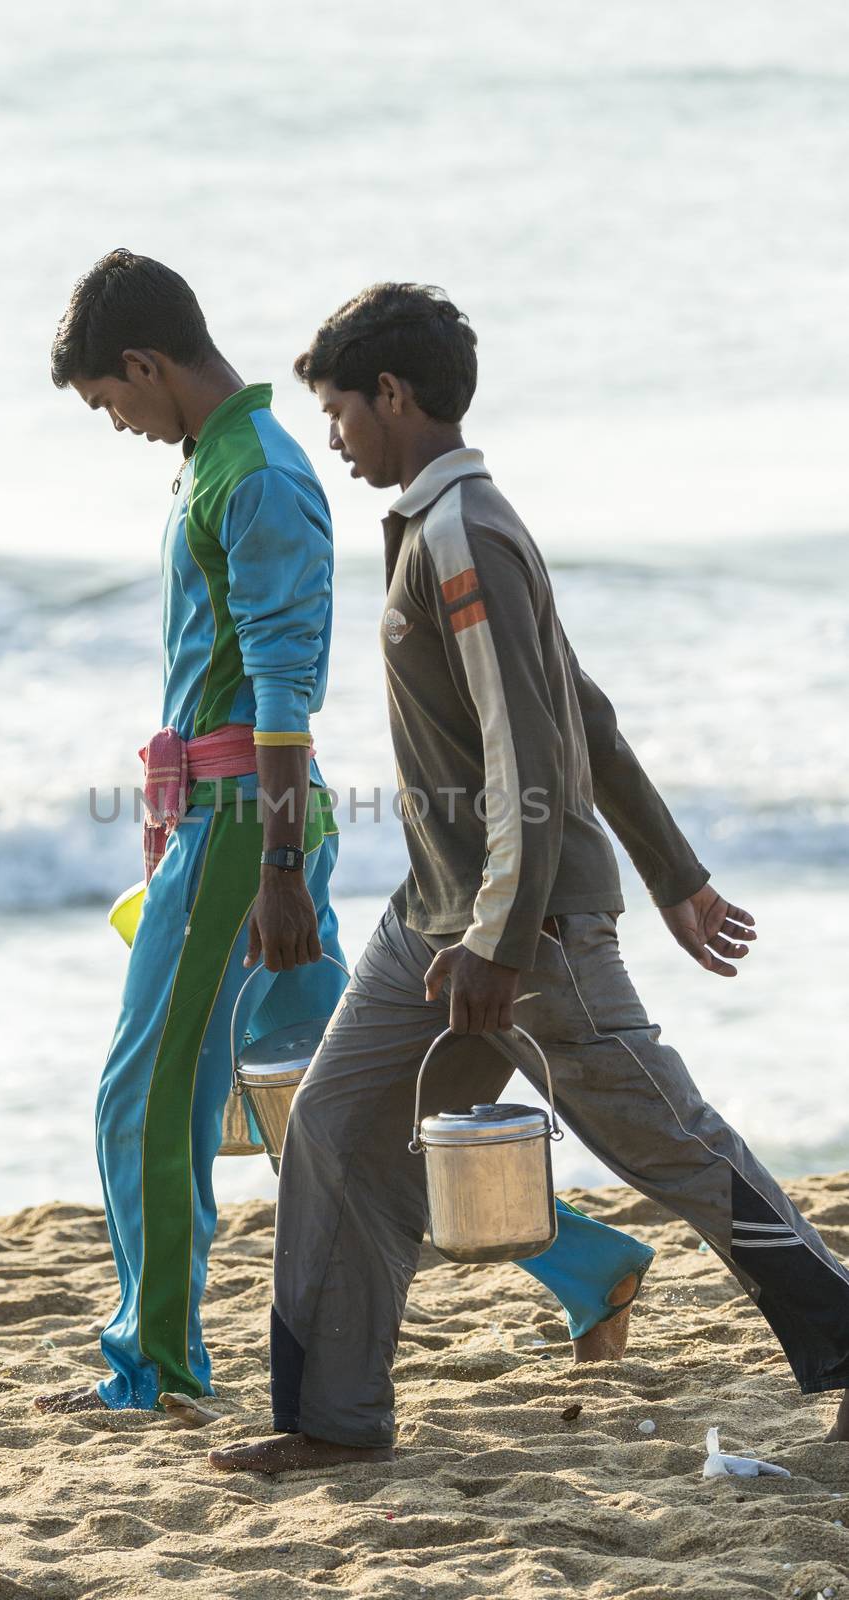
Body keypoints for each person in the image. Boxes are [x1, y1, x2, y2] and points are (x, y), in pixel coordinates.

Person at [210, 281, 849, 1472]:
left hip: (526, 929)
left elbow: (533, 745)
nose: (337, 436)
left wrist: (507, 940)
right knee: (338, 1128)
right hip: (433, 923)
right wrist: (676, 872)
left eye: (342, 411)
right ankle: (333, 1423)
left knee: (672, 1151)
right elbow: (586, 714)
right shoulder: (438, 524)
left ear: (392, 396)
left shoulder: (463, 534)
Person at [36, 253, 657, 1417]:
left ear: (142, 363)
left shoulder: (257, 475)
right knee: (314, 1109)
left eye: (106, 400)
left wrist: (269, 867)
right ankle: (582, 1259)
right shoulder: (214, 461)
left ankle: (153, 1363)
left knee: (144, 1092)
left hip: (248, 830)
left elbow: (281, 687)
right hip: (222, 821)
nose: (112, 422)